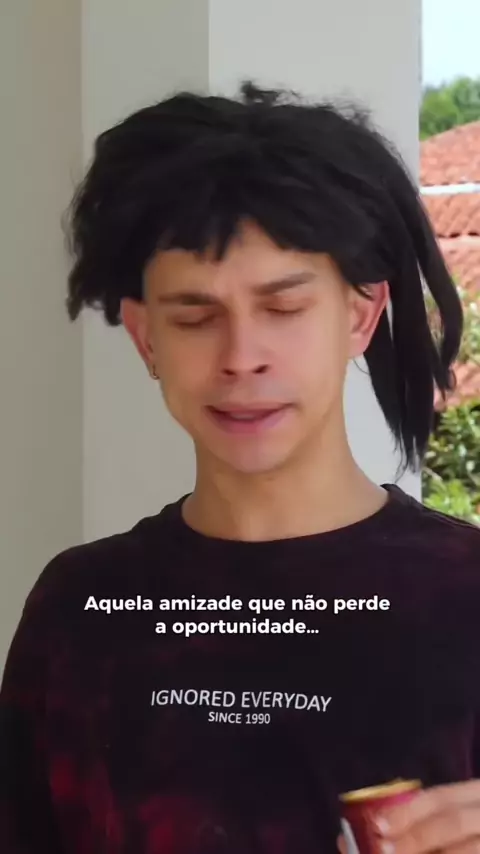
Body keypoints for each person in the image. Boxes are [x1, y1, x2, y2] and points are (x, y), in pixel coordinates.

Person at [1, 81, 480, 854]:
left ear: (360, 315)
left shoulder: (465, 597)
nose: (241, 357)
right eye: (195, 317)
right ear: (146, 337)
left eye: (283, 309)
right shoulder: (79, 613)